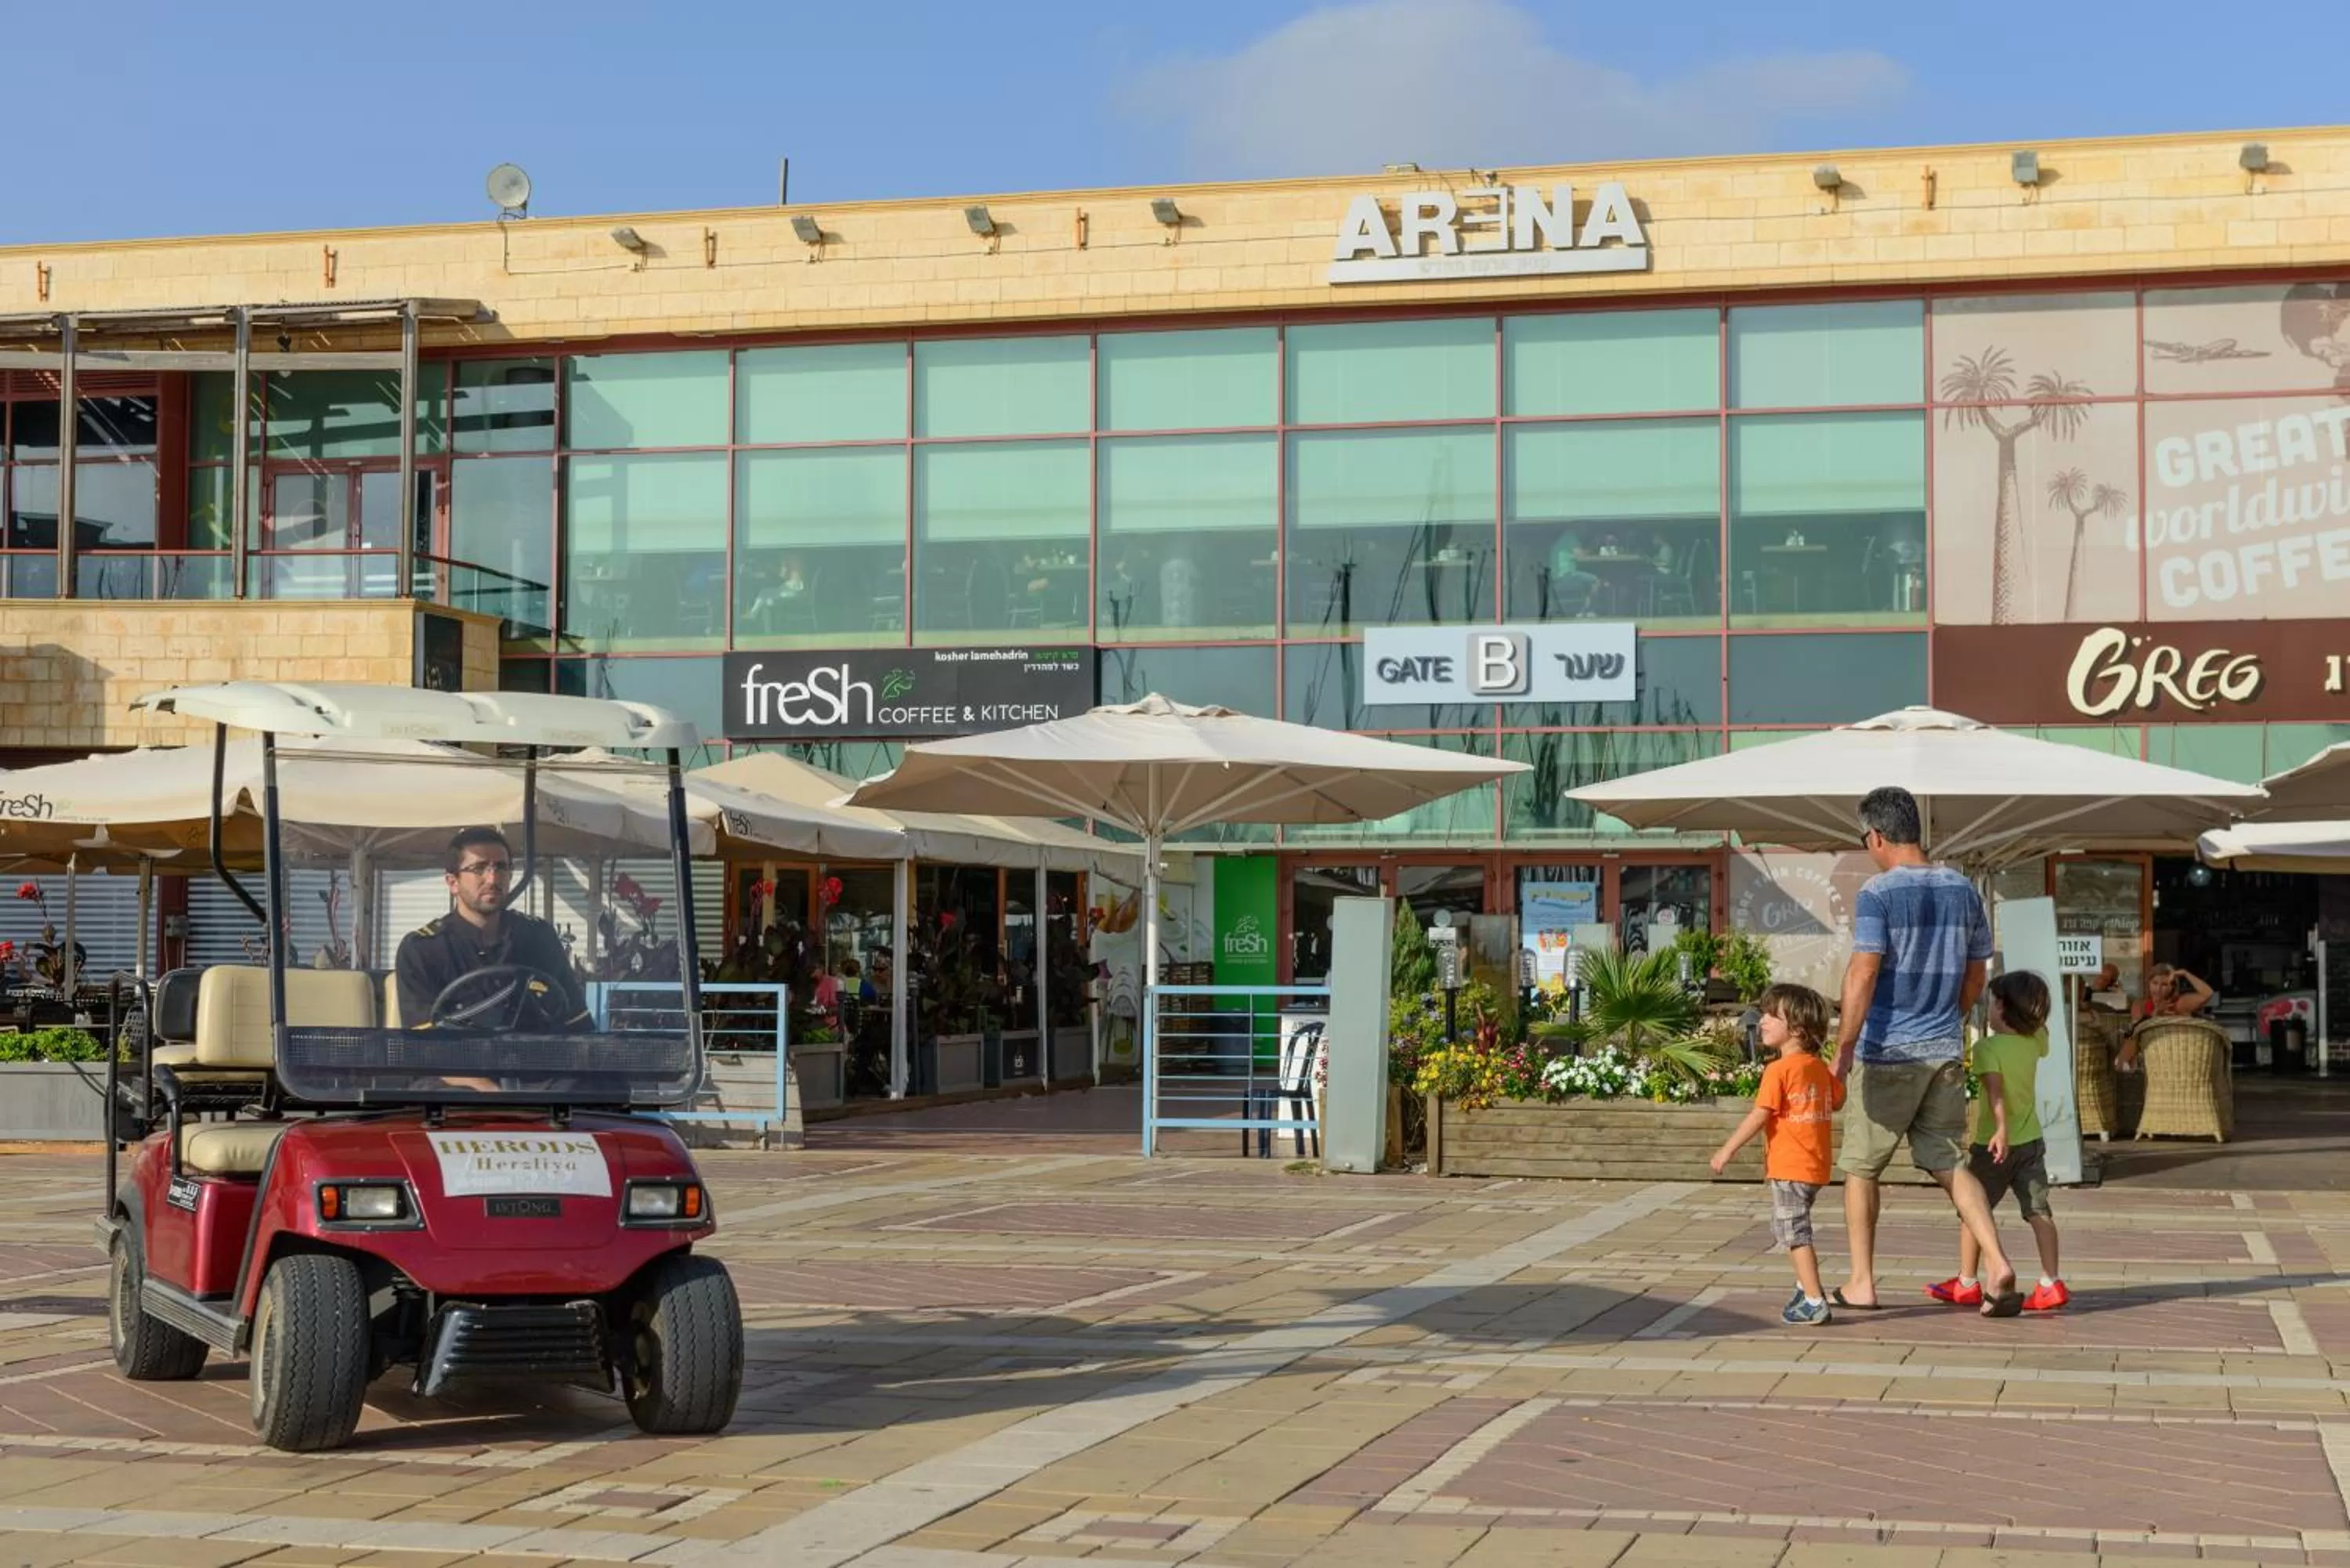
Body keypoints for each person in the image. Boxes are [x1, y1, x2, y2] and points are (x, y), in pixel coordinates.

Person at [1831, 786, 2026, 1318]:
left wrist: (1845, 1046)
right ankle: (1997, 1262)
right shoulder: (1964, 890)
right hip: (1943, 1049)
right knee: (1948, 1160)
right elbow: (1978, 971)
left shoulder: (1877, 893)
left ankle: (1862, 1282)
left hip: (1890, 1051)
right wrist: (1953, 1016)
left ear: (1875, 835)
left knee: (1861, 1167)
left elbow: (1865, 970)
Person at [1930, 970, 2069, 1313]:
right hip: (2032, 1142)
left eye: (1992, 1002)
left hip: (1993, 1145)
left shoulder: (1987, 1048)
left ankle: (1966, 1282)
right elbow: (2041, 1027)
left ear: (2005, 1007)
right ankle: (2051, 1282)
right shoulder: (2035, 1041)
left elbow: (1995, 1092)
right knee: (2039, 1212)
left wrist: (2001, 1129)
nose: (1987, 1009)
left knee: (1972, 1211)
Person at [1710, 982, 1846, 1327]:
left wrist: (1727, 1150)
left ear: (1797, 1029)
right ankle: (1804, 1289)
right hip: (1814, 1167)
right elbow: (1838, 1098)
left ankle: (1815, 1300)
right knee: (1791, 1225)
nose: (1763, 1021)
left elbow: (1760, 1114)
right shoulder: (1816, 1068)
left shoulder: (1779, 1070)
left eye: (1773, 1015)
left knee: (1793, 1231)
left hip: (1789, 1166)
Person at [396, 827, 589, 1035]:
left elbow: (577, 1024)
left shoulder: (538, 937)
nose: (493, 879)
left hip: (534, 1061)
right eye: (479, 868)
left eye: (501, 867)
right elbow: (421, 1045)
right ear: (453, 883)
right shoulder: (423, 950)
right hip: (457, 1065)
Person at [2113, 963, 2215, 1071]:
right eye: (2155, 983)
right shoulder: (2140, 1005)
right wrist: (2155, 1014)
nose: (2158, 989)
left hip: (2177, 1055)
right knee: (2131, 1037)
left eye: (2165, 985)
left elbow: (2208, 994)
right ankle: (2122, 1070)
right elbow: (2136, 1030)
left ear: (2173, 987)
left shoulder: (2180, 1003)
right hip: (2149, 1052)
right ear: (2149, 984)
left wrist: (2185, 974)